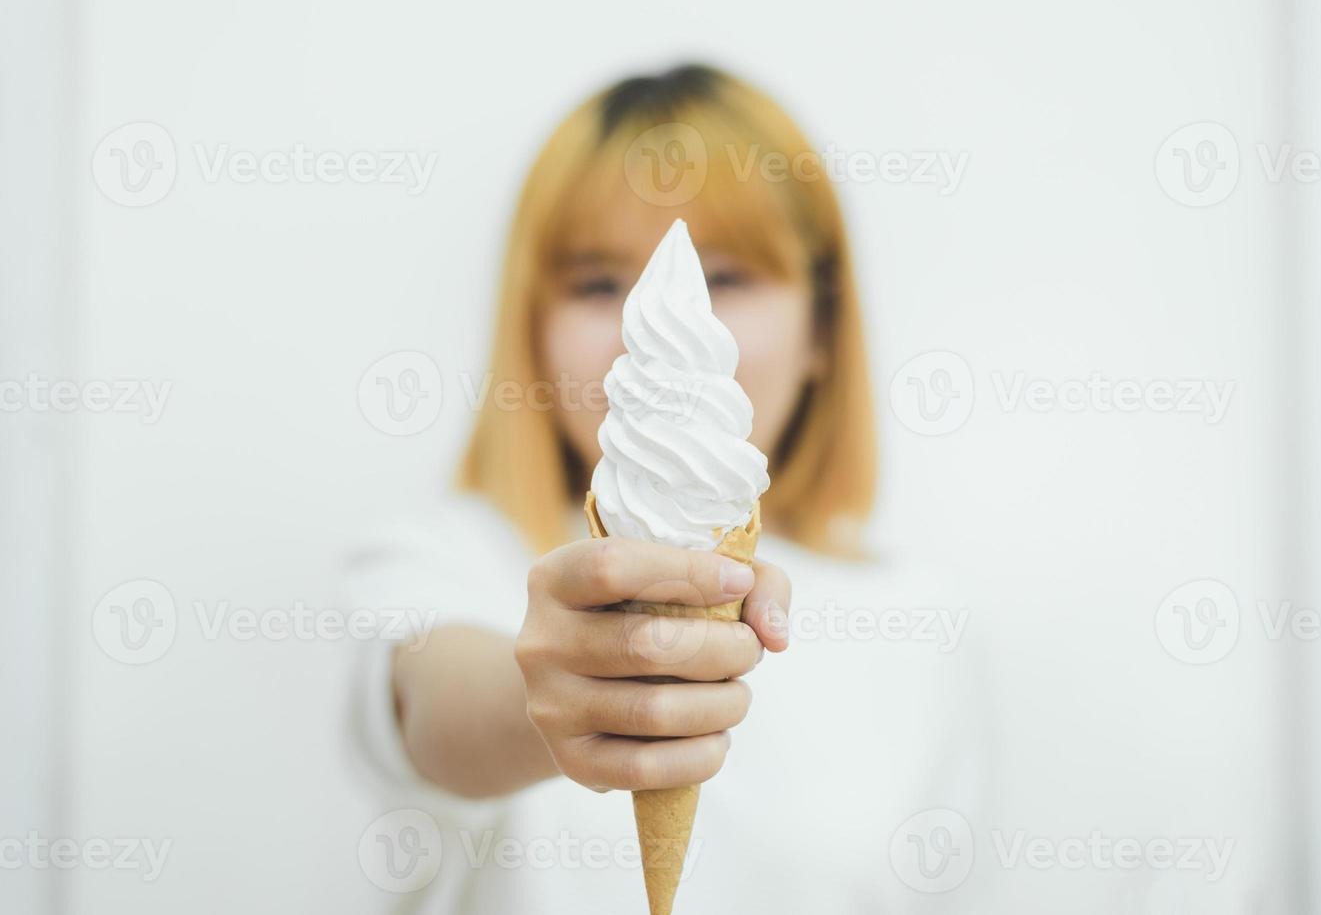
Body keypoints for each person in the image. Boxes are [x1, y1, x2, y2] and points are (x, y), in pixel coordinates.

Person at [346, 63, 983, 912]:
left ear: (822, 328)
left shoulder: (925, 621)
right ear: (531, 329)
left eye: (727, 278)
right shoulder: (449, 557)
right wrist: (548, 693)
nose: (656, 325)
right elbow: (428, 708)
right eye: (598, 284)